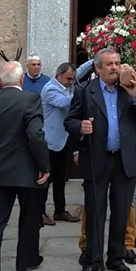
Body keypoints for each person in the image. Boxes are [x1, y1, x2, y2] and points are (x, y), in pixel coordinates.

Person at [64, 48, 136, 271]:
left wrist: (135, 94)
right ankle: (92, 260)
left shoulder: (129, 88)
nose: (115, 67)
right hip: (97, 160)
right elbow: (69, 121)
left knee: (121, 212)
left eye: (117, 63)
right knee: (95, 212)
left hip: (124, 160)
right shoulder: (85, 91)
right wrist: (80, 127)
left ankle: (116, 257)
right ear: (98, 68)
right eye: (109, 64)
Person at [0, 61, 51, 271]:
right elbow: (35, 135)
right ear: (22, 80)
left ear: (2, 81)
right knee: (29, 216)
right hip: (26, 170)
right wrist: (44, 165)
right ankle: (26, 259)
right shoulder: (30, 99)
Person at [40, 61, 93, 224]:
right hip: (50, 141)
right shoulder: (50, 89)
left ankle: (60, 210)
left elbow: (81, 70)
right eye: (69, 79)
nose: (71, 82)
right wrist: (81, 90)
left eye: (72, 79)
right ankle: (39, 211)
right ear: (59, 75)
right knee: (47, 178)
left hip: (63, 140)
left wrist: (95, 59)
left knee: (60, 178)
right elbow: (64, 102)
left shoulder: (66, 85)